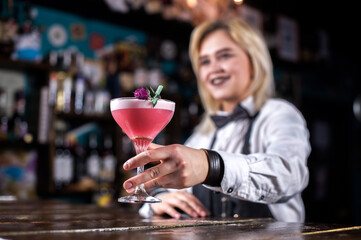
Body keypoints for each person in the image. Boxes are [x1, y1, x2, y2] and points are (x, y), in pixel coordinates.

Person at [122, 16, 311, 223]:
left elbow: (290, 175)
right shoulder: (204, 132)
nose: (213, 68)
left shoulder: (278, 113)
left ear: (254, 61)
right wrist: (162, 199)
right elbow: (173, 191)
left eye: (224, 56)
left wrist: (211, 166)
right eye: (205, 61)